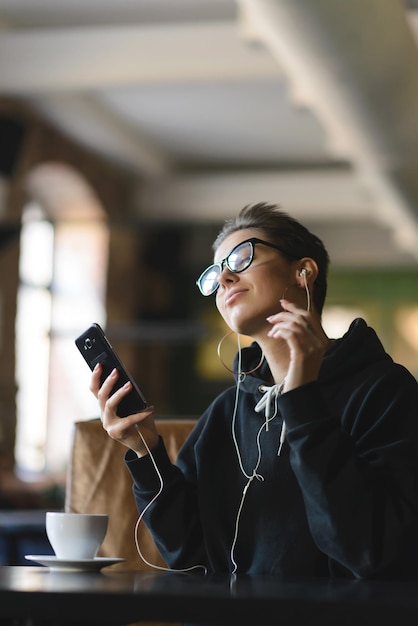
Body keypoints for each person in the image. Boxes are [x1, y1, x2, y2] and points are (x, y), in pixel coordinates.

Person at [91, 202, 418, 580]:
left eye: (242, 257)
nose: (225, 277)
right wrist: (144, 451)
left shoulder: (384, 391)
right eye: (216, 273)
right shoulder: (227, 410)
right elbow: (191, 555)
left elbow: (372, 551)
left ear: (303, 271)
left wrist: (302, 404)